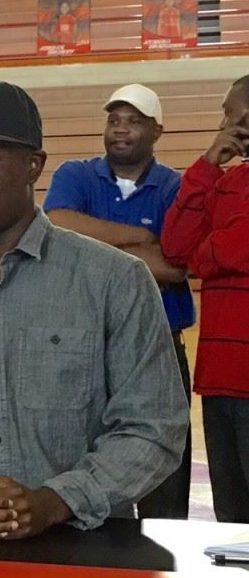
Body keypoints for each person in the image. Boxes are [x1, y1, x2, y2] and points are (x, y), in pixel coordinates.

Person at [0, 78, 187, 541]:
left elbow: (153, 429)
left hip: (92, 560)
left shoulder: (114, 281)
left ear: (34, 166)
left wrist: (56, 502)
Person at [42, 83, 193, 519]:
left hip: (159, 346)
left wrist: (93, 246)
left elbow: (175, 266)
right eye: (114, 120)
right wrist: (139, 240)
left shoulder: (176, 188)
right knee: (82, 458)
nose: (120, 129)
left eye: (133, 121)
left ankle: (163, 564)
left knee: (165, 461)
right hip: (80, 347)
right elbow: (59, 225)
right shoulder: (75, 174)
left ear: (157, 131)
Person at [161, 75, 249, 522]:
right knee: (233, 520)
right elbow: (176, 248)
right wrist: (207, 167)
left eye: (228, 112)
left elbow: (234, 247)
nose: (224, 122)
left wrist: (206, 254)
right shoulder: (226, 182)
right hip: (217, 379)